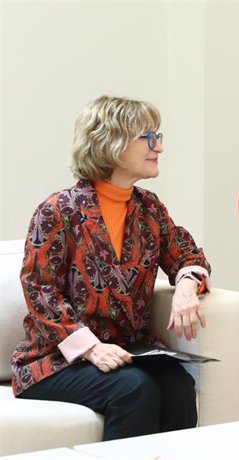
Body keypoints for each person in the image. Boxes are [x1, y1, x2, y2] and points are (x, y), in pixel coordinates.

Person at [11, 95, 211, 441]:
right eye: (148, 137)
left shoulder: (149, 208)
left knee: (178, 384)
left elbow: (187, 255)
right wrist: (91, 348)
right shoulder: (58, 210)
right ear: (112, 145)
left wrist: (186, 288)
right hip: (56, 360)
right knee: (133, 387)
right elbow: (40, 291)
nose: (158, 147)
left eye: (158, 136)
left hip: (128, 351)